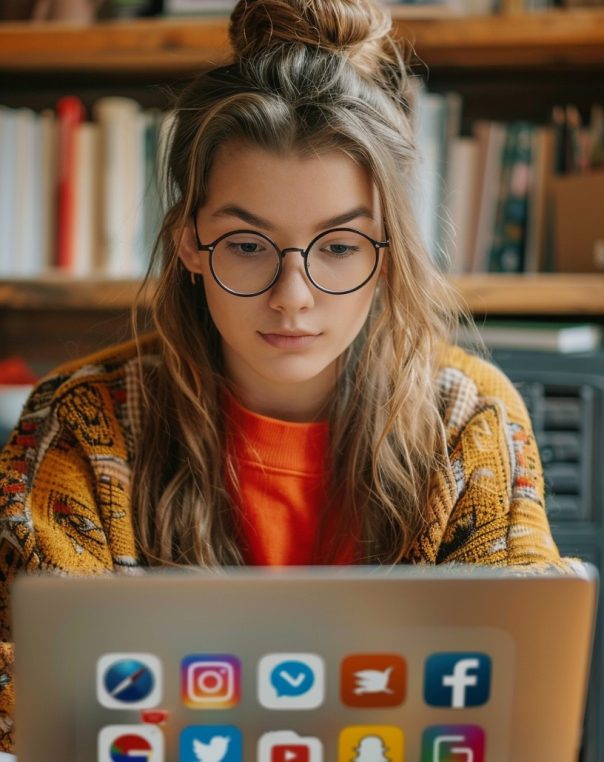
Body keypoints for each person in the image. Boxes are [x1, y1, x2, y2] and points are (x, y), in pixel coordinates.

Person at [0, 0, 567, 753]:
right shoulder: (79, 425)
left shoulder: (472, 422)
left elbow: (517, 704)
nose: (292, 297)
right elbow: (26, 700)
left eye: (338, 247)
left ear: (388, 251)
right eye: (247, 244)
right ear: (189, 245)